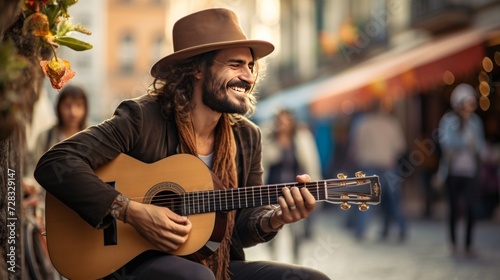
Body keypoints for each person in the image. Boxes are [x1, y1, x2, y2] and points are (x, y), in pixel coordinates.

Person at [34, 8, 330, 280]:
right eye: (236, 64)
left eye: (251, 66)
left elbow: (238, 229)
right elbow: (55, 164)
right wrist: (130, 211)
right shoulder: (142, 118)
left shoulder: (247, 136)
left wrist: (274, 218)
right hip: (134, 263)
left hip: (216, 264)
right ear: (197, 69)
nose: (248, 76)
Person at [261, 109, 322, 262]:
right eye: (281, 120)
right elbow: (264, 161)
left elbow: (311, 162)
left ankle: (297, 260)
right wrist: (277, 142)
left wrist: (316, 187)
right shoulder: (269, 138)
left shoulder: (301, 138)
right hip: (273, 191)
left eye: (287, 120)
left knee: (297, 230)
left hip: (296, 192)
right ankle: (273, 260)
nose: (284, 124)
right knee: (272, 227)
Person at [436, 83, 485, 256]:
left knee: (471, 208)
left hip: (471, 171)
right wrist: (466, 143)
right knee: (454, 209)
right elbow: (447, 144)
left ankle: (469, 244)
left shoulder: (475, 123)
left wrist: (477, 148)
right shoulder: (449, 122)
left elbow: (481, 147)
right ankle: (453, 242)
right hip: (453, 172)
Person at [350, 98, 407, 241]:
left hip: (369, 165)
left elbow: (356, 146)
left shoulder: (363, 123)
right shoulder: (391, 123)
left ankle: (361, 230)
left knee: (367, 200)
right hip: (388, 165)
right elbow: (400, 147)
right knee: (393, 200)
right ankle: (401, 230)